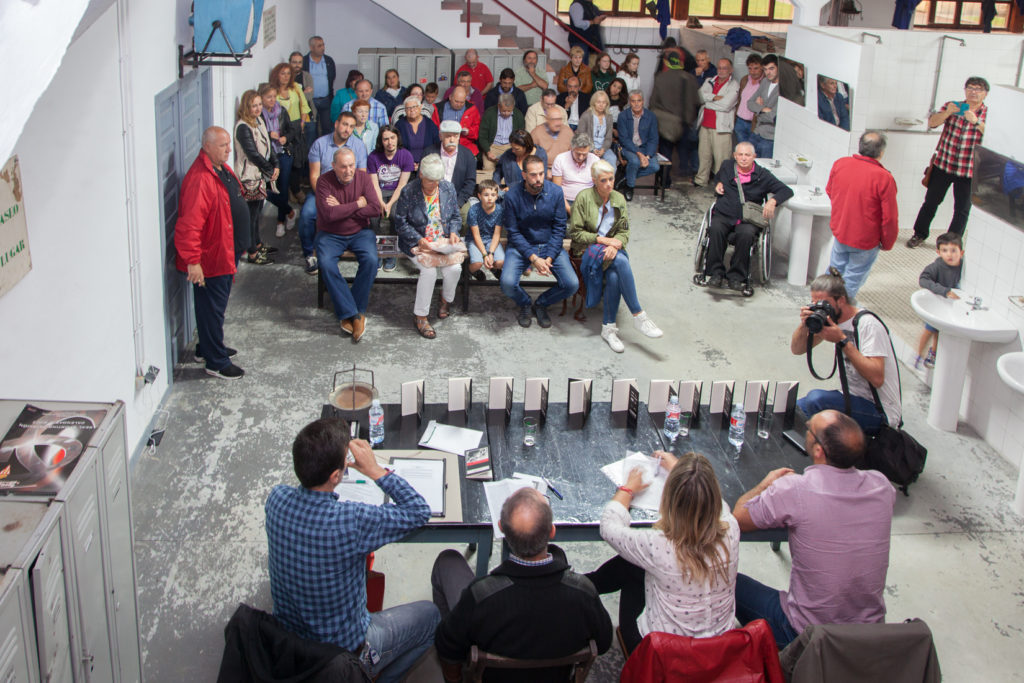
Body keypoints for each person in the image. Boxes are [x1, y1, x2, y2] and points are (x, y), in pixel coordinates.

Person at [265, 417, 439, 683]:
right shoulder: (350, 521)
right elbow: (418, 511)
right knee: (431, 617)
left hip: (289, 641)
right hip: (342, 651)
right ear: (336, 476)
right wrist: (375, 471)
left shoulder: (276, 500)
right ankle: (367, 676)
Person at [732, 409, 896, 648]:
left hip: (805, 637)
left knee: (724, 578)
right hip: (867, 638)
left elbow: (738, 517)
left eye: (808, 429)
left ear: (818, 450)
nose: (806, 428)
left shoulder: (794, 490)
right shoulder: (881, 486)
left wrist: (765, 485)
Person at [432, 487, 613, 682]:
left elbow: (447, 647)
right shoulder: (583, 591)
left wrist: (455, 678)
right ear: (552, 530)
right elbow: (603, 643)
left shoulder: (481, 595)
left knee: (447, 560)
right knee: (558, 553)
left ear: (501, 528)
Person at [586, 451, 737, 653]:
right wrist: (684, 472)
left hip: (662, 654)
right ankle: (588, 585)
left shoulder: (659, 546)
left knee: (631, 564)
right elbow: (718, 504)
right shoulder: (732, 529)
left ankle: (584, 587)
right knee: (633, 564)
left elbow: (609, 527)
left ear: (670, 500)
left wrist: (627, 488)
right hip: (719, 649)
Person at [790, 269, 902, 434]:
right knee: (795, 406)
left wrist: (843, 341)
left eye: (824, 303)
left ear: (841, 300)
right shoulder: (830, 318)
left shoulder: (867, 325)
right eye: (815, 303)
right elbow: (797, 349)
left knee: (815, 401)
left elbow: (877, 378)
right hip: (851, 397)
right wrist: (804, 324)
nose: (820, 308)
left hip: (881, 410)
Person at [174, 127, 246, 379]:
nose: (229, 149)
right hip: (211, 259)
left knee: (215, 307)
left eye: (229, 144)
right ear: (206, 146)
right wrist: (193, 262)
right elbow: (189, 225)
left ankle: (207, 347)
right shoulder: (200, 179)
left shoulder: (218, 167)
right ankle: (215, 361)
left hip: (225, 252)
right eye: (223, 145)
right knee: (211, 308)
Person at [568, 160, 663, 352]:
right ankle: (638, 315)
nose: (609, 184)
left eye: (611, 179)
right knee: (619, 261)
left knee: (614, 273)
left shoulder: (618, 199)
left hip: (611, 251)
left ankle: (609, 329)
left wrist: (617, 243)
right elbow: (575, 233)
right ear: (594, 181)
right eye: (603, 180)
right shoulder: (583, 198)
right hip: (587, 250)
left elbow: (624, 231)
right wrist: (604, 241)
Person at [908, 76, 989, 248]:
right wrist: (947, 112)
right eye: (971, 88)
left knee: (962, 210)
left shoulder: (988, 114)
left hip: (968, 171)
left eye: (978, 89)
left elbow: (993, 138)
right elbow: (932, 123)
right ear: (965, 90)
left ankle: (951, 243)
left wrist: (976, 122)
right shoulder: (953, 106)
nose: (973, 92)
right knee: (930, 202)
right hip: (943, 165)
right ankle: (919, 234)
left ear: (985, 94)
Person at [501, 155, 579, 328]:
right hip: (522, 246)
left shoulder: (556, 192)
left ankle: (542, 303)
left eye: (541, 174)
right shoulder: (512, 196)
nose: (538, 179)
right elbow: (513, 232)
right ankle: (525, 302)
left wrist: (549, 257)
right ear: (524, 175)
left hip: (549, 244)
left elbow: (560, 228)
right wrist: (533, 258)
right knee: (507, 284)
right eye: (533, 175)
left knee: (571, 284)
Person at [392, 154, 462, 339]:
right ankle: (421, 316)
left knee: (455, 268)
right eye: (431, 181)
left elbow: (455, 216)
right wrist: (418, 239)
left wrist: (454, 232)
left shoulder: (447, 188)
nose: (435, 185)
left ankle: (445, 299)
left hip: (442, 240)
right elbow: (400, 222)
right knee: (429, 272)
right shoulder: (409, 191)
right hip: (418, 242)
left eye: (438, 180)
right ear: (421, 175)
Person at [705, 142, 792, 291]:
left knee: (746, 234)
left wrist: (773, 201)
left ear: (754, 157)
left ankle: (736, 276)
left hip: (747, 218)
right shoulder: (727, 166)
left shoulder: (762, 175)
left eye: (747, 155)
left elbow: (786, 190)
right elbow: (718, 176)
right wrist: (718, 183)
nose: (743, 158)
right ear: (735, 156)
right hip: (725, 213)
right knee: (715, 229)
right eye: (740, 154)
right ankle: (716, 273)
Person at [315, 148, 380, 341]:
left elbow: (375, 209)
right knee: (326, 263)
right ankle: (353, 313)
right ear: (333, 166)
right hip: (330, 233)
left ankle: (354, 310)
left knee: (371, 260)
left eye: (351, 165)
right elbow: (329, 215)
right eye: (343, 166)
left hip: (360, 232)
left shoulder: (364, 178)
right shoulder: (324, 181)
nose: (348, 170)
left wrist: (343, 208)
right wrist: (357, 204)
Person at [826, 131, 898, 298]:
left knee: (834, 272)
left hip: (841, 231)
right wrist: (887, 242)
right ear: (881, 152)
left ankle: (822, 304)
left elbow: (830, 191)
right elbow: (890, 217)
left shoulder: (840, 164)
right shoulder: (884, 178)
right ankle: (838, 314)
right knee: (852, 279)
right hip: (865, 239)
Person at [299, 112, 369, 276]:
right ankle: (310, 255)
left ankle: (357, 249)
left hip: (349, 194)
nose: (347, 129)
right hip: (323, 192)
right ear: (336, 124)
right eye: (345, 124)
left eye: (352, 126)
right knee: (307, 215)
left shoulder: (358, 146)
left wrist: (346, 202)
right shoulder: (320, 144)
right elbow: (314, 176)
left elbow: (361, 176)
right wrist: (325, 198)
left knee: (365, 212)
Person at [234, 90, 279, 265]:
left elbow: (268, 144)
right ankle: (252, 253)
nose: (258, 108)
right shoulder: (243, 127)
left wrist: (275, 165)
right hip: (249, 178)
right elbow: (252, 154)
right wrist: (270, 169)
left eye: (260, 104)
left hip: (260, 175)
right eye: (254, 105)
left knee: (258, 213)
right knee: (250, 217)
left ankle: (258, 244)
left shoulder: (258, 121)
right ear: (246, 106)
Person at [368, 125, 414, 272]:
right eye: (386, 139)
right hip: (379, 192)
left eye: (392, 138)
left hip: (397, 192)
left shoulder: (406, 155)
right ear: (381, 141)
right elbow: (374, 184)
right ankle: (378, 253)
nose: (390, 142)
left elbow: (402, 185)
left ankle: (391, 253)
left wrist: (389, 205)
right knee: (374, 217)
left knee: (394, 215)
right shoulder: (373, 157)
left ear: (397, 138)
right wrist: (381, 203)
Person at [916, 232, 964, 369]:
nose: (949, 255)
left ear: (962, 252)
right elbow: (923, 279)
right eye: (944, 251)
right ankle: (919, 354)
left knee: (939, 331)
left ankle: (934, 353)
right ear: (938, 252)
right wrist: (943, 291)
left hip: (950, 304)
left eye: (953, 250)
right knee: (930, 330)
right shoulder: (936, 267)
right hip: (938, 303)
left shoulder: (963, 266)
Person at [259, 83, 299, 238]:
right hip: (268, 156)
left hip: (283, 153)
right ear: (261, 98)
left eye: (274, 97)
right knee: (266, 190)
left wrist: (284, 138)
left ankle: (280, 222)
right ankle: (290, 212)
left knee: (282, 188)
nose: (272, 100)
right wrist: (269, 134)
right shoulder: (259, 115)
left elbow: (291, 130)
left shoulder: (281, 111)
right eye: (268, 97)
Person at [694, 58, 739, 188]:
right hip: (705, 124)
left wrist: (707, 102)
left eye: (725, 68)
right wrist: (713, 98)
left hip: (721, 128)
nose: (721, 70)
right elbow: (698, 97)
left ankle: (721, 185)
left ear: (731, 70)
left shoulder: (733, 85)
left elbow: (726, 105)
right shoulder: (709, 81)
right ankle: (701, 180)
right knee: (704, 155)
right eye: (719, 67)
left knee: (721, 159)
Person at [616, 90, 660, 201]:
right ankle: (630, 187)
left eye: (639, 101)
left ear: (643, 102)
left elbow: (653, 139)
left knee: (655, 166)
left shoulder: (651, 116)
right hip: (628, 147)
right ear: (629, 102)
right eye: (633, 101)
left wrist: (648, 156)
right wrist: (639, 154)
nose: (636, 104)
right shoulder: (623, 116)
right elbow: (624, 139)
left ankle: (625, 178)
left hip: (645, 148)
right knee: (635, 161)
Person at [427, 120, 477, 207]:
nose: (452, 140)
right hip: (432, 197)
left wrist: (459, 203)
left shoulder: (468, 155)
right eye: (448, 136)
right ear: (440, 136)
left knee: (466, 214)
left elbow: (470, 182)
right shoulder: (429, 152)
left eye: (455, 136)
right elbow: (423, 178)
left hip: (459, 198)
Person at [272, 62, 312, 165]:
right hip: (280, 127)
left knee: (298, 158)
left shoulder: (295, 87)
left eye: (288, 73)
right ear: (277, 75)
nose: (286, 76)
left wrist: (302, 123)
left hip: (296, 125)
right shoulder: (272, 90)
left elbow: (304, 105)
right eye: (283, 73)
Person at [466, 179, 505, 280]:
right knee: (477, 263)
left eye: (493, 195)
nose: (490, 198)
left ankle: (494, 268)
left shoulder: (500, 210)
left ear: (497, 196)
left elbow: (497, 234)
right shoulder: (474, 210)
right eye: (486, 195)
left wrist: (491, 253)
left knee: (500, 262)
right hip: (475, 240)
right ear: (479, 196)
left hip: (491, 239)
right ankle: (468, 271)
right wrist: (484, 255)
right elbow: (476, 235)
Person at [552, 132, 599, 213]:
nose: (581, 158)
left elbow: (599, 187)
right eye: (578, 154)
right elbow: (557, 189)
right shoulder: (560, 159)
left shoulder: (595, 160)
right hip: (565, 199)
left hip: (587, 200)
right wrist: (569, 209)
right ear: (571, 148)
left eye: (584, 154)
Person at [480, 93, 524, 176]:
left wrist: (515, 150)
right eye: (504, 111)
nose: (506, 113)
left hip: (511, 146)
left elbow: (521, 137)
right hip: (492, 146)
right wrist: (488, 151)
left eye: (509, 111)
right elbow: (482, 136)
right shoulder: (489, 113)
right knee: (488, 170)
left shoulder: (518, 115)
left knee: (512, 170)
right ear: (499, 106)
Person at [431, 85, 481, 156]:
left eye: (462, 102)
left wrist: (468, 132)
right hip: (444, 146)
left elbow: (478, 129)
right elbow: (433, 130)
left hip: (465, 146)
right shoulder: (438, 109)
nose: (459, 105)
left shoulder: (472, 109)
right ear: (450, 97)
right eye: (456, 101)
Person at [747, 54, 780, 159]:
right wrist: (763, 109)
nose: (768, 72)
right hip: (757, 132)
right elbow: (750, 103)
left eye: (771, 68)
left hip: (770, 137)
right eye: (765, 69)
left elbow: (773, 117)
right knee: (746, 165)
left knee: (763, 170)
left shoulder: (783, 88)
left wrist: (758, 111)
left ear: (778, 68)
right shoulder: (765, 81)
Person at [303, 36, 336, 137]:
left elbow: (332, 77)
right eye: (319, 46)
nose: (323, 48)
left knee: (327, 127)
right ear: (311, 48)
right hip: (310, 101)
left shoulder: (328, 60)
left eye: (323, 45)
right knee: (312, 129)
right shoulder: (304, 61)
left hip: (325, 100)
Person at [395, 96, 440, 167]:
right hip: (404, 164)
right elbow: (396, 148)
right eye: (408, 108)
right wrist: (408, 163)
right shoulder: (399, 125)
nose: (412, 110)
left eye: (414, 107)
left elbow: (437, 145)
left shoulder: (430, 124)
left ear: (420, 107)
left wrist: (423, 164)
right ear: (405, 111)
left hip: (427, 165)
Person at [576, 90, 616, 167]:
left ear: (607, 104)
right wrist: (592, 149)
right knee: (592, 163)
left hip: (603, 148)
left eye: (604, 102)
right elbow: (581, 136)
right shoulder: (586, 116)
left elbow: (608, 138)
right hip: (588, 147)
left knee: (612, 159)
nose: (601, 105)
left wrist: (603, 149)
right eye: (598, 102)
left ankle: (609, 179)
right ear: (594, 103)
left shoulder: (609, 117)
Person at [531, 108, 573, 175]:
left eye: (560, 119)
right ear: (547, 119)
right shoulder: (536, 133)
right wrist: (544, 170)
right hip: (544, 169)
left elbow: (573, 154)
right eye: (555, 120)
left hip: (565, 168)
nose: (558, 123)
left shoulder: (568, 131)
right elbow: (531, 158)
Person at [735, 54, 763, 146]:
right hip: (740, 122)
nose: (752, 72)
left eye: (756, 68)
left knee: (751, 152)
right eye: (750, 68)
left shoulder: (765, 83)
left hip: (753, 124)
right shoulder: (745, 79)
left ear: (762, 67)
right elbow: (739, 99)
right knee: (742, 152)